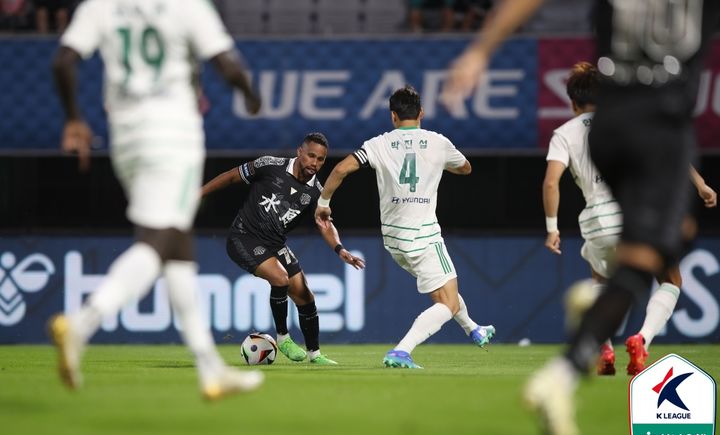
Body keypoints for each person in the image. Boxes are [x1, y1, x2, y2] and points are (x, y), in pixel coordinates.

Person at [442, 0, 720, 435]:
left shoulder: (570, 128)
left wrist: (481, 50)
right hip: (661, 125)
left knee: (641, 253)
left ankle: (589, 323)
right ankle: (586, 358)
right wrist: (701, 184)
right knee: (662, 252)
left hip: (614, 132)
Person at [49, 0, 265, 401]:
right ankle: (82, 323)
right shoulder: (187, 5)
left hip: (125, 136)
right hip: (174, 135)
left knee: (177, 249)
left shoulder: (101, 5)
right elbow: (228, 65)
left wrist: (74, 118)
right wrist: (250, 95)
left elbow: (63, 61)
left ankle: (209, 368)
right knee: (160, 240)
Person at [543, 62, 718, 377]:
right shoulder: (625, 122)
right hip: (635, 214)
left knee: (600, 281)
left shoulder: (564, 133)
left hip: (596, 220)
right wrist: (700, 183)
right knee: (670, 279)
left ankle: (604, 349)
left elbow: (551, 182)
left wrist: (552, 228)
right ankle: (642, 339)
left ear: (572, 102)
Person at [315, 85, 495, 369]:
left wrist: (323, 202)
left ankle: (473, 328)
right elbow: (465, 168)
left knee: (441, 291)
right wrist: (438, 164)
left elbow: (340, 170)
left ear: (393, 116)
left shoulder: (378, 144)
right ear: (421, 113)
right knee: (447, 302)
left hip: (394, 240)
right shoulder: (438, 142)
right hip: (424, 235)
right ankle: (402, 350)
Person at [201, 133, 365, 366]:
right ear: (299, 151)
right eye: (311, 156)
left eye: (320, 159)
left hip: (275, 244)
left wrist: (340, 249)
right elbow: (229, 178)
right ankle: (283, 338)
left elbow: (325, 224)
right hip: (243, 237)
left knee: (306, 297)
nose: (314, 163)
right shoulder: (269, 165)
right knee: (280, 278)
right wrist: (198, 194)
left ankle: (315, 355)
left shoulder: (316, 193)